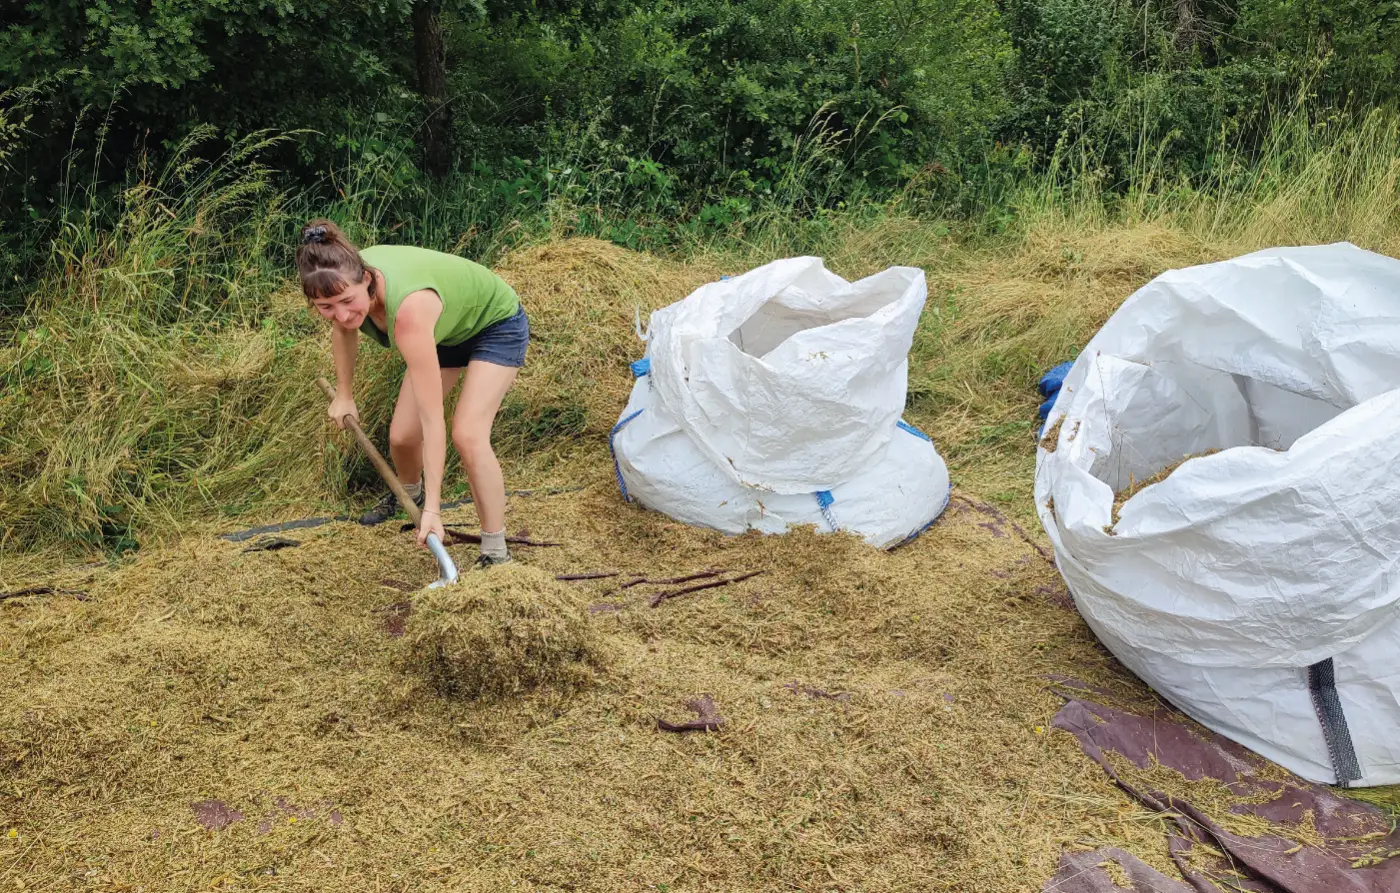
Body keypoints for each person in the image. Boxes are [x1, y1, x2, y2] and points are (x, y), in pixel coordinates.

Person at [296, 219, 526, 567]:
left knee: (467, 434)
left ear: (368, 280)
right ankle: (409, 495)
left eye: (346, 301)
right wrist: (344, 394)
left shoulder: (407, 313)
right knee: (402, 437)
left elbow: (433, 420)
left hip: (494, 324)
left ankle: (495, 549)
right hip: (445, 330)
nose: (341, 315)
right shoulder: (338, 278)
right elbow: (344, 331)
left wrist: (436, 509)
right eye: (326, 307)